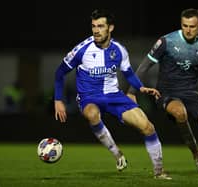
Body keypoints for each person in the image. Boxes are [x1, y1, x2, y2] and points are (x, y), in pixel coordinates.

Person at [54, 9, 171, 180]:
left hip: (114, 96)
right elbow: (59, 72)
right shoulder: (82, 49)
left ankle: (159, 172)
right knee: (92, 114)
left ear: (111, 28)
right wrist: (58, 99)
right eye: (94, 26)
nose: (96, 30)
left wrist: (140, 88)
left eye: (100, 26)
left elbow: (129, 73)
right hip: (89, 97)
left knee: (148, 127)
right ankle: (117, 154)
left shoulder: (120, 50)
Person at [127, 8, 198, 176]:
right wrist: (132, 91)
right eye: (185, 25)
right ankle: (196, 154)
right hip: (167, 92)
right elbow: (144, 66)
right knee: (180, 113)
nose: (188, 30)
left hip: (191, 93)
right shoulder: (167, 41)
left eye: (192, 26)